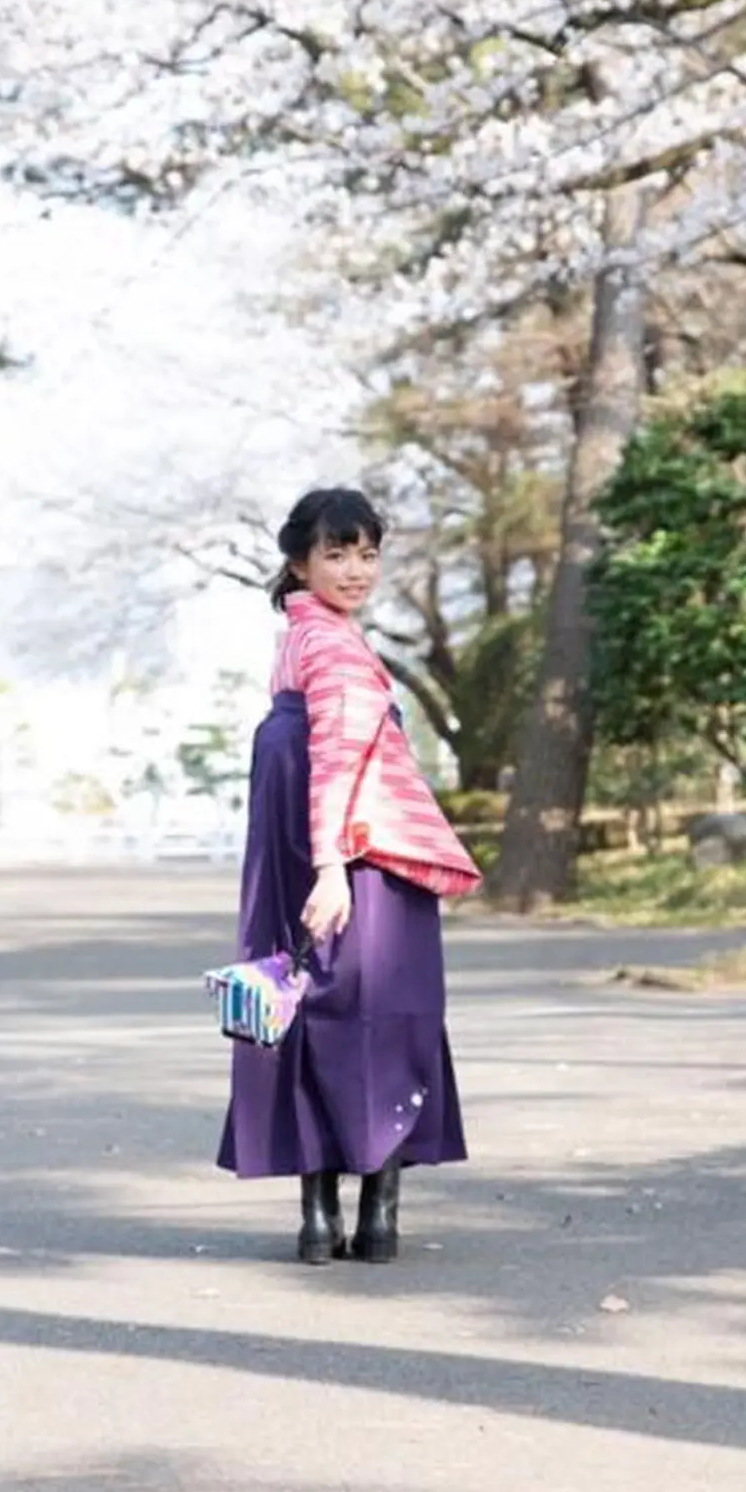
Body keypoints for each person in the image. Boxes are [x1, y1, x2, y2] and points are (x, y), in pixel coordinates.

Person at [215, 485, 482, 1263]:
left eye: (367, 553)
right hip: (355, 860)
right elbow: (334, 759)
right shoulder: (335, 649)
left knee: (306, 1008)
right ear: (299, 563)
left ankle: (318, 1218)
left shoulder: (299, 638)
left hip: (293, 855)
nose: (356, 569)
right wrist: (334, 866)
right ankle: (378, 1217)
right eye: (336, 553)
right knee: (385, 1016)